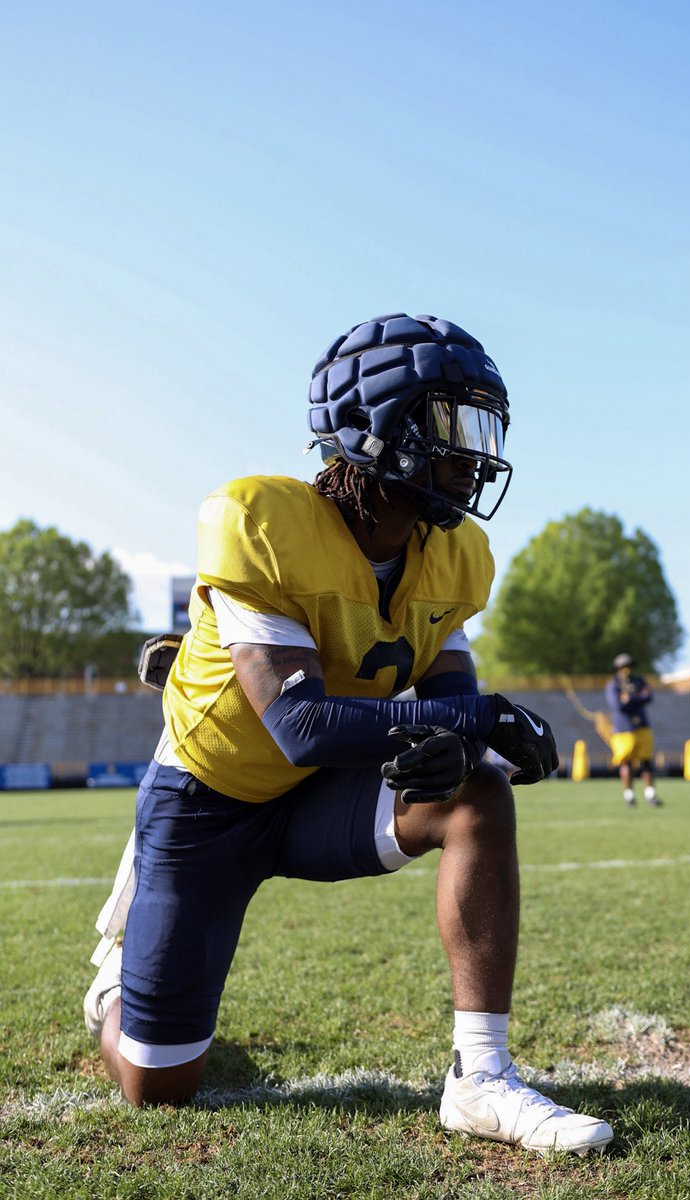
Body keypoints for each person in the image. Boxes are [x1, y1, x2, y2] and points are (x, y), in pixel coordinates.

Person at [83, 312, 613, 1157]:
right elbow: (301, 725)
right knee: (159, 1087)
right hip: (210, 799)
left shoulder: (456, 555)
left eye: (483, 429)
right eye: (450, 426)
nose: (472, 455)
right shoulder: (261, 518)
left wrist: (469, 738)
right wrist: (480, 720)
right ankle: (115, 991)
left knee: (475, 794)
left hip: (321, 795)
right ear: (375, 424)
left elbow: (450, 702)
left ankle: (481, 1079)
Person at [605, 653, 661, 806]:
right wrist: (637, 698)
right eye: (624, 666)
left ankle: (651, 795)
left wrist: (630, 699)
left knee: (646, 762)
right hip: (624, 729)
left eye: (629, 666)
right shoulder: (613, 685)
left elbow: (648, 697)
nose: (627, 669)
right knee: (626, 763)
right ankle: (629, 796)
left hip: (642, 726)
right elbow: (618, 705)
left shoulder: (639, 681)